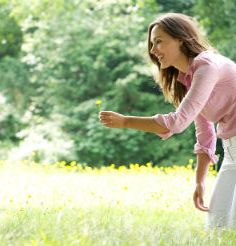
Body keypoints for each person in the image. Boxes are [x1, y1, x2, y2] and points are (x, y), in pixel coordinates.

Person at [99, 13, 236, 228]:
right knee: (216, 227)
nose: (153, 50)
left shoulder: (207, 66)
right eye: (152, 44)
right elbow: (205, 135)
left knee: (232, 227)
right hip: (231, 154)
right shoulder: (190, 79)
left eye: (159, 41)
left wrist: (126, 121)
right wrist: (200, 181)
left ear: (180, 38)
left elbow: (177, 122)